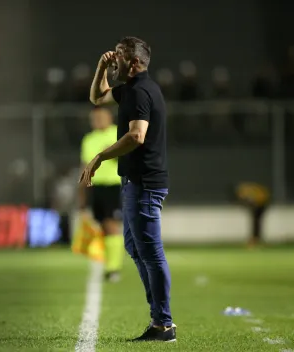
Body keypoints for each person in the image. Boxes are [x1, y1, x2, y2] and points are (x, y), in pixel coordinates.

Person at [79, 36, 176, 342]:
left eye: (119, 56)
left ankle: (163, 324)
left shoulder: (140, 91)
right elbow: (98, 98)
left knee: (151, 252)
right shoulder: (135, 89)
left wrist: (100, 156)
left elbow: (137, 136)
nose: (114, 59)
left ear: (134, 63)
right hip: (135, 182)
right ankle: (159, 320)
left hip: (145, 183)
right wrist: (101, 69)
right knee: (136, 249)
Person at [79, 107, 124, 282]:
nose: (97, 120)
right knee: (103, 226)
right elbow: (85, 165)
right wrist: (82, 193)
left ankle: (113, 268)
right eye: (94, 118)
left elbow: (131, 157)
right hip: (95, 186)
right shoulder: (89, 139)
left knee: (111, 223)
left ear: (109, 117)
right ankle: (109, 263)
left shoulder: (119, 135)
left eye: (100, 117)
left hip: (113, 185)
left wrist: (114, 153)